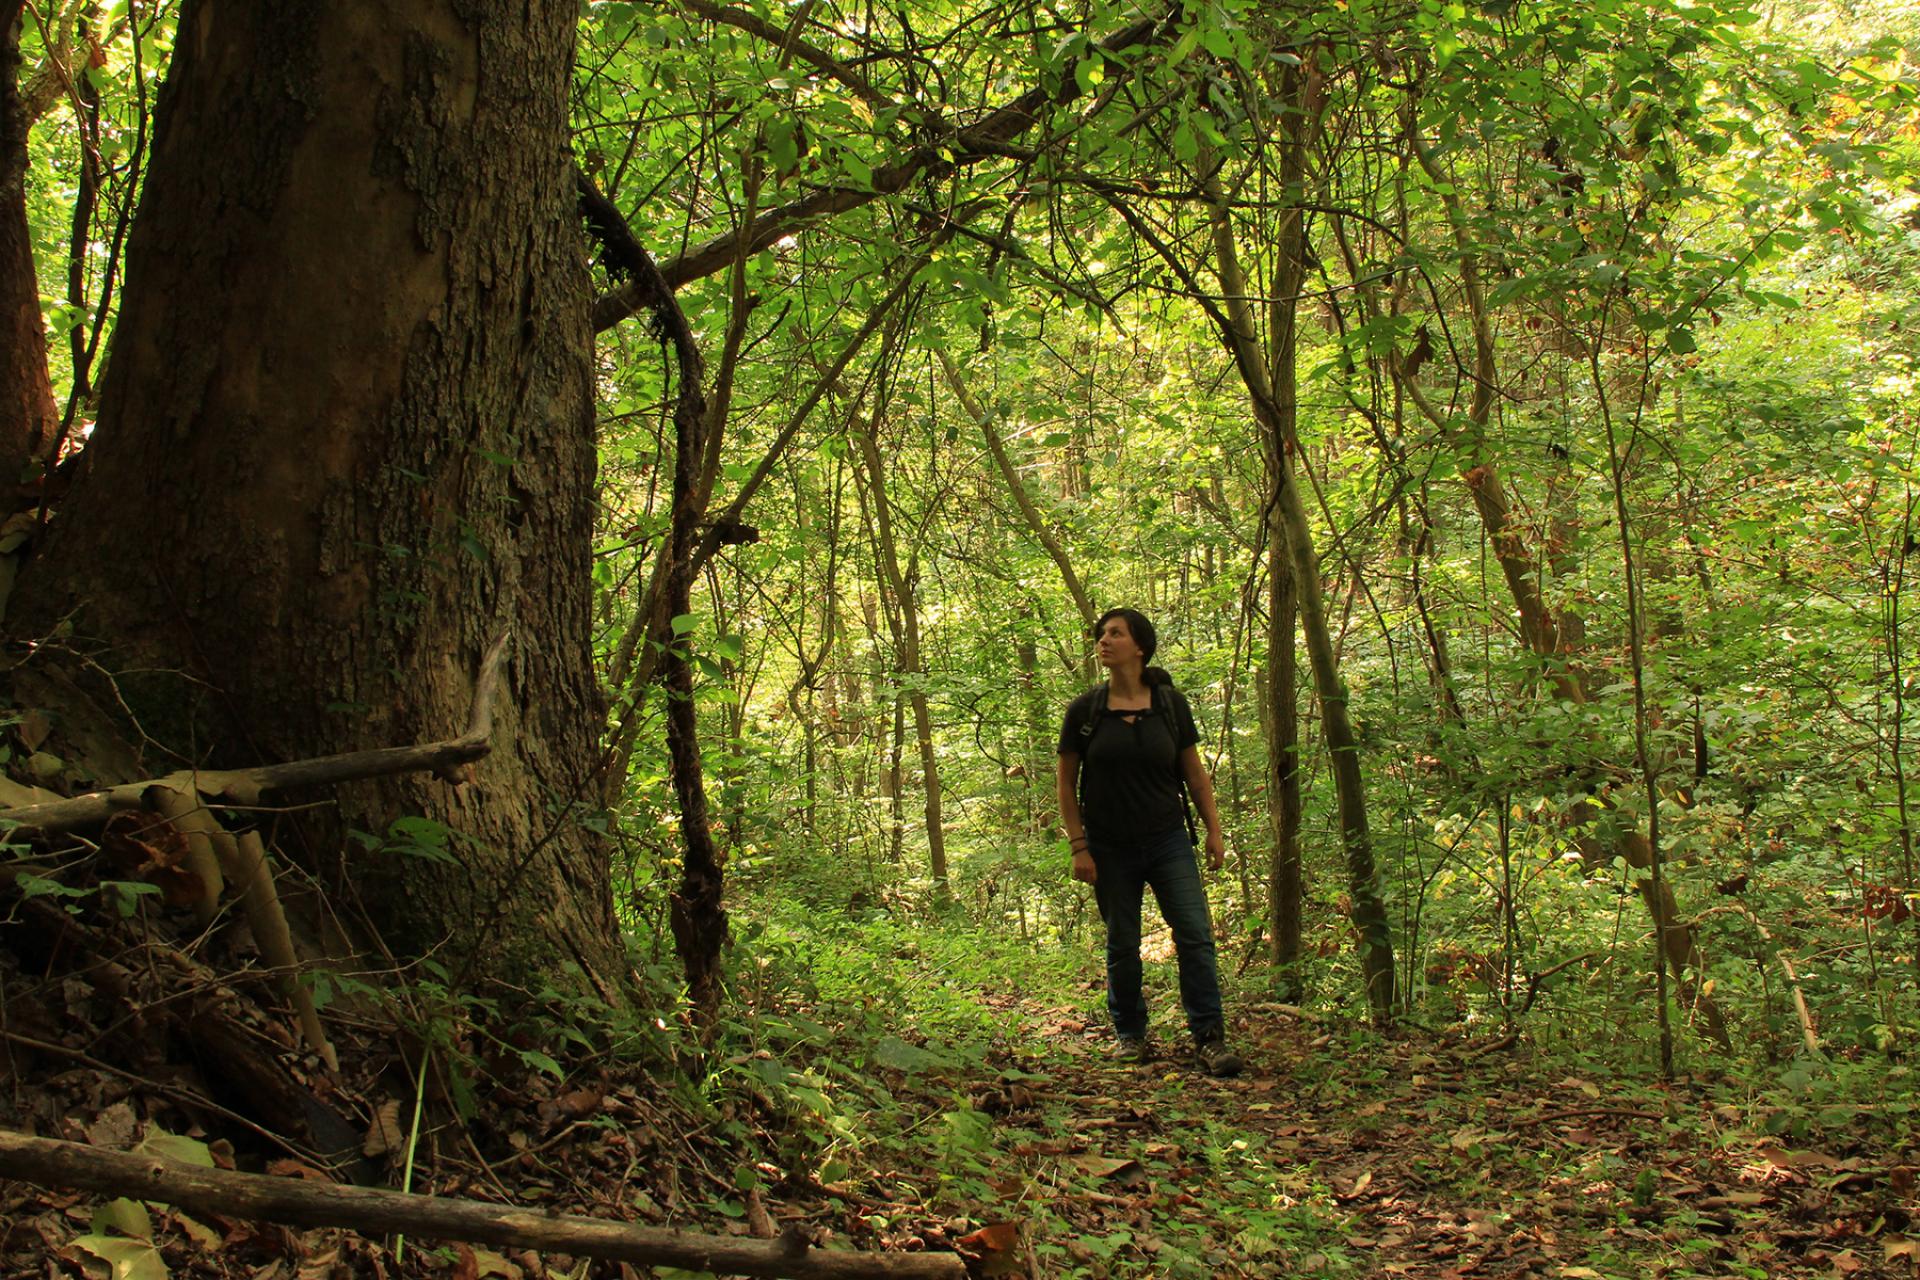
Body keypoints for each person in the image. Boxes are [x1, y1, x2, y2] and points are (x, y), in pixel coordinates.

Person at [1057, 607, 1242, 1077]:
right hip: (1108, 846)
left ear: (1139, 646)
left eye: (1115, 633)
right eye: (1101, 634)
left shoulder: (1170, 705)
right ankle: (1131, 1035)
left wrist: (1214, 831)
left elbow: (1194, 775)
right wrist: (1079, 846)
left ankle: (1208, 1036)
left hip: (1168, 840)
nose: (1104, 640)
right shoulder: (1085, 711)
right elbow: (1064, 786)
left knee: (1196, 936)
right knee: (1123, 942)